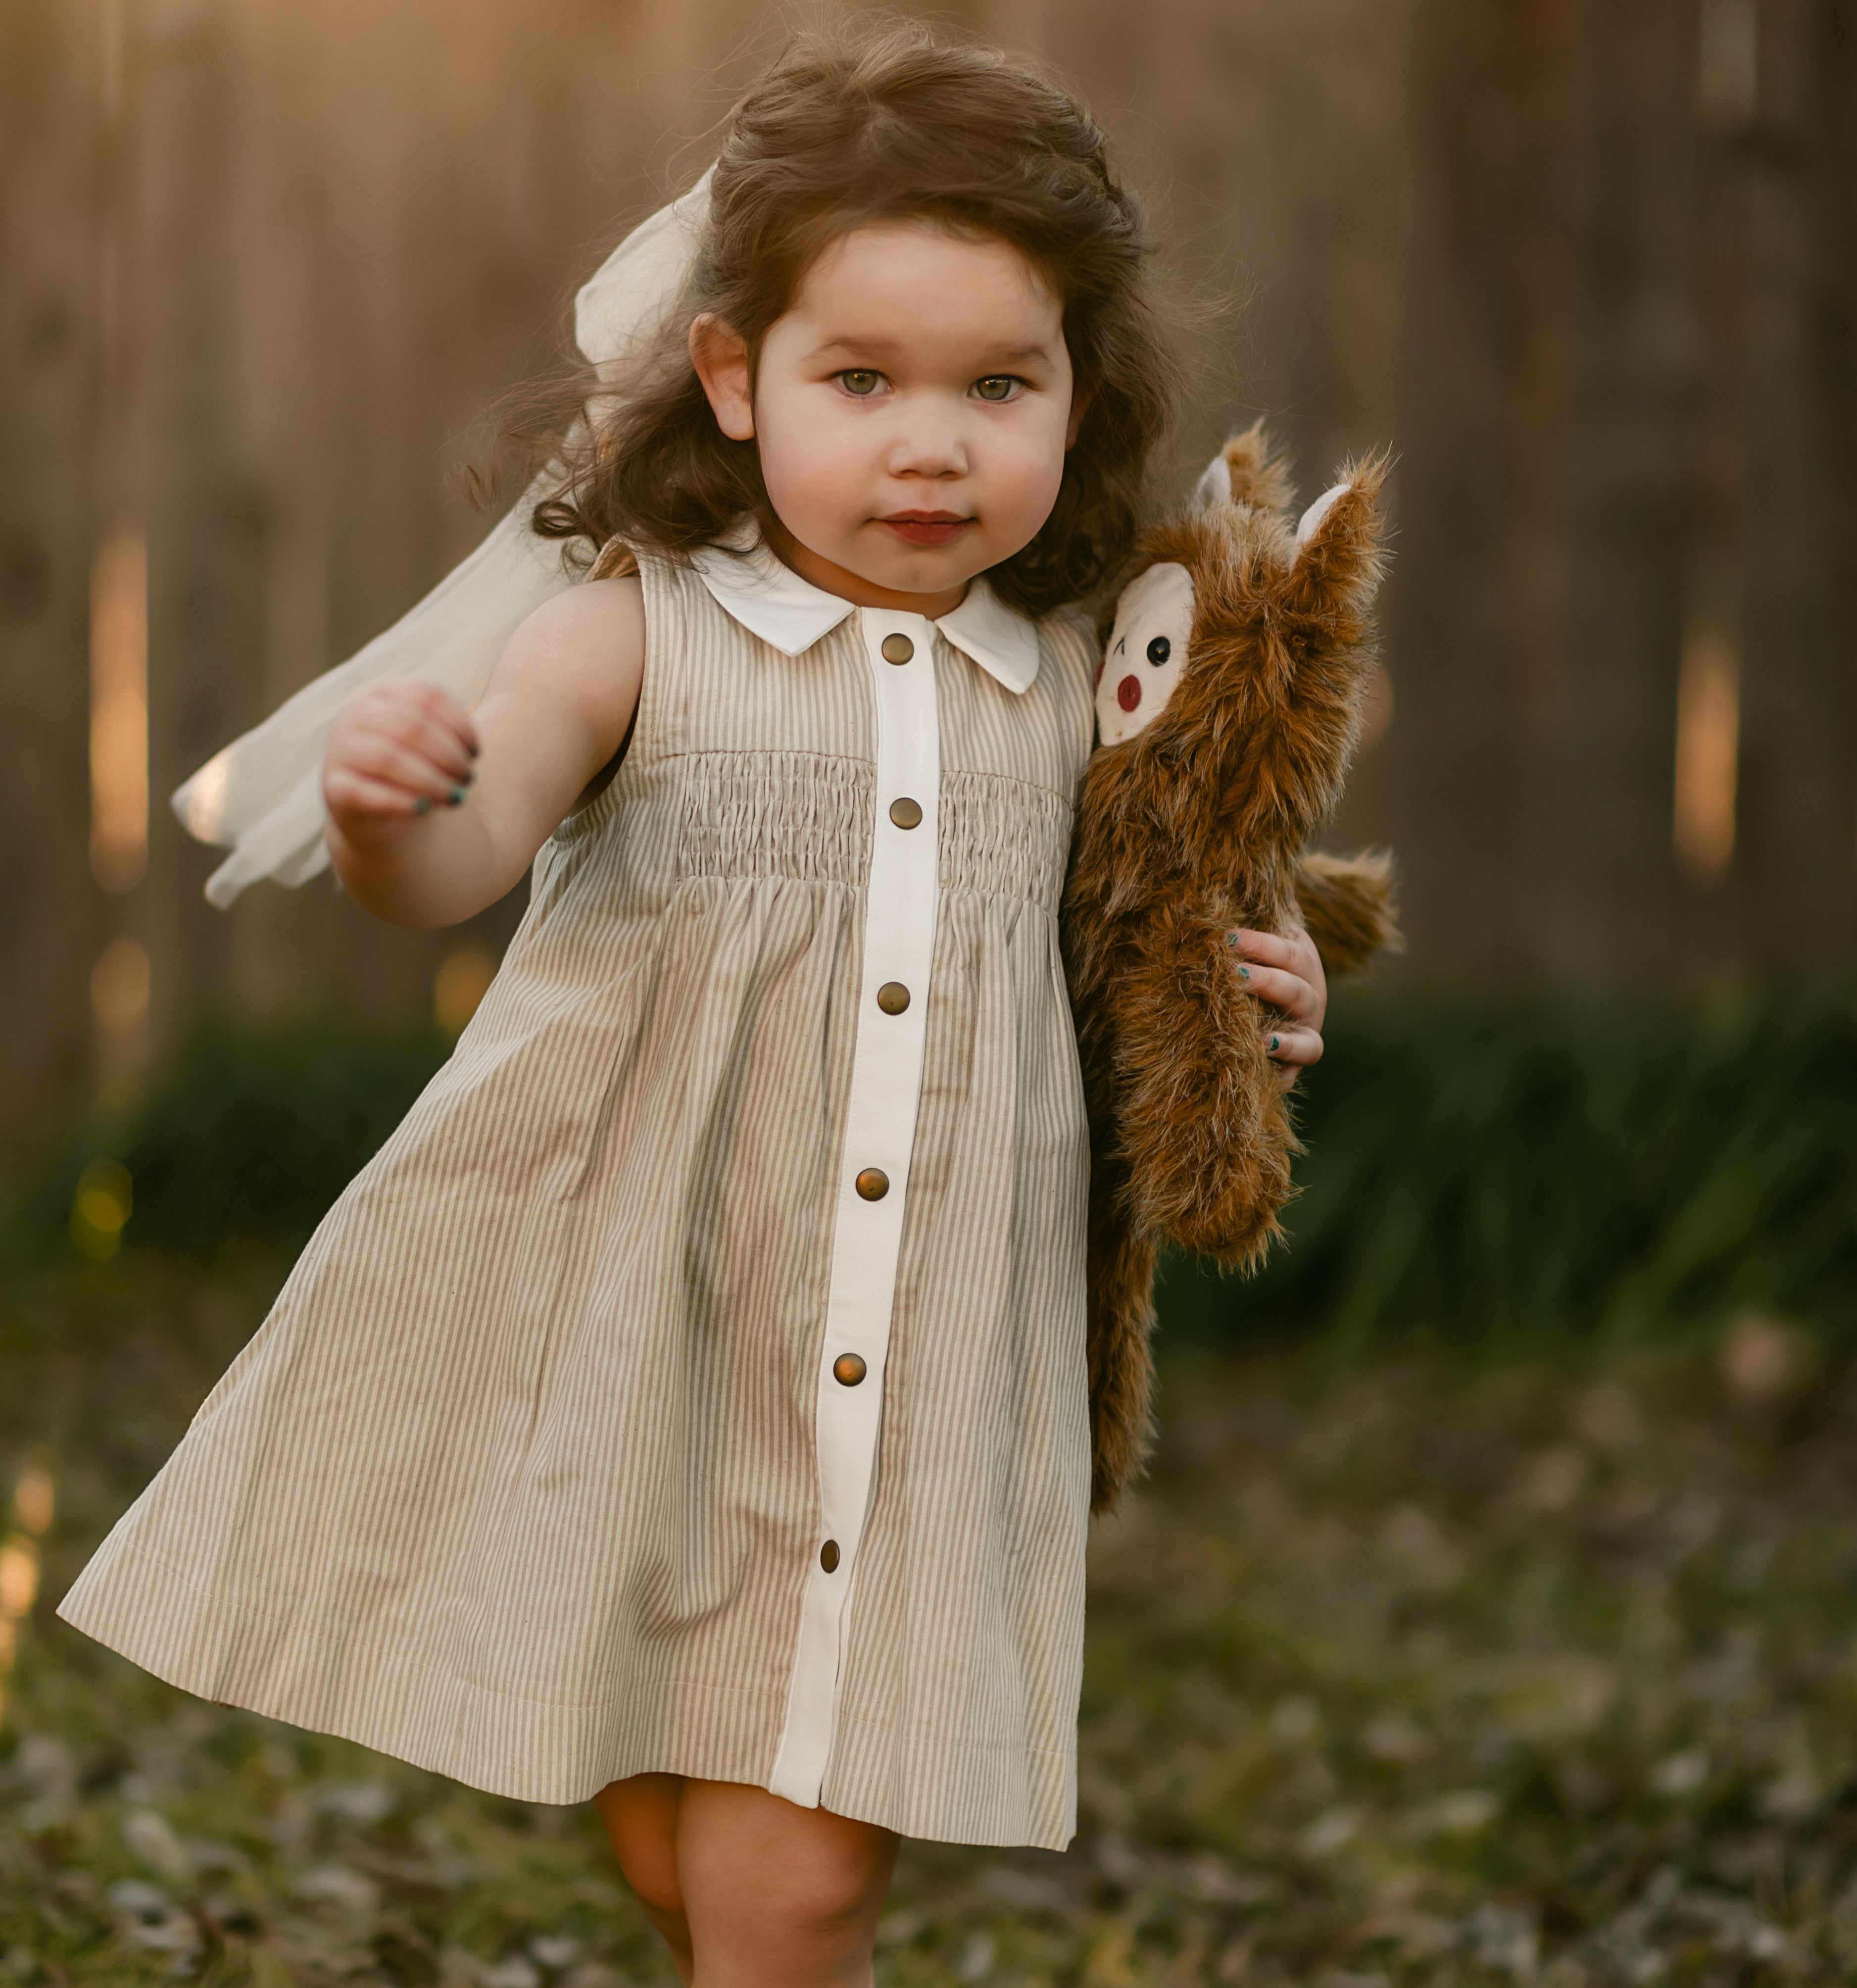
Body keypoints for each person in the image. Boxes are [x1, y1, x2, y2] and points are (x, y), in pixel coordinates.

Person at [60, 26, 1328, 1986]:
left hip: (915, 1349)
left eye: (1000, 383)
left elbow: (1158, 923)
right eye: (860, 380)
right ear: (733, 379)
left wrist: (1264, 988)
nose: (933, 440)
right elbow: (462, 853)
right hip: (637, 1305)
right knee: (675, 1825)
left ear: (1083, 386)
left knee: (795, 1884)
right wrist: (407, 805)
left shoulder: (1077, 685)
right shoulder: (627, 630)